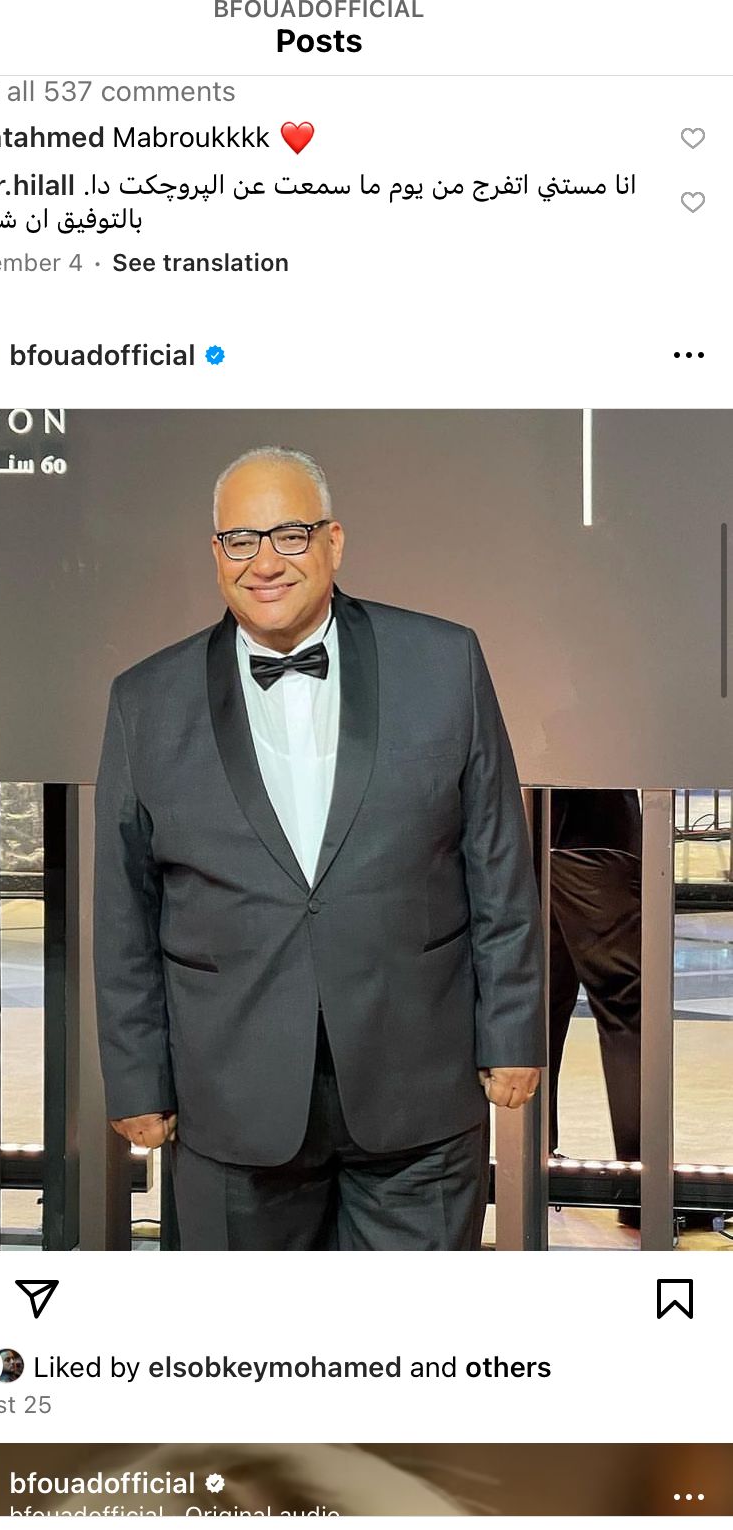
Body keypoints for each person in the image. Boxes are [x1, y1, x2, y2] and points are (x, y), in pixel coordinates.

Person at [94, 446, 545, 1250]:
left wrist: (512, 1031)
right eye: (241, 540)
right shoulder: (145, 701)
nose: (265, 561)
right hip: (230, 1103)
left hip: (418, 1092)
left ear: (333, 541)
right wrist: (136, 1077)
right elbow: (125, 908)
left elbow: (497, 860)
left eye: (290, 535)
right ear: (216, 554)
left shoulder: (443, 660)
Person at [549, 789, 642, 1224]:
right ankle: (642, 1190)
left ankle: (531, 1167)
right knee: (627, 1008)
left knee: (538, 1002)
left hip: (523, 825)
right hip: (595, 829)